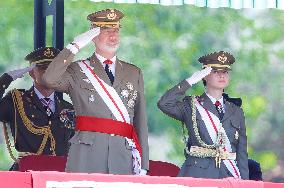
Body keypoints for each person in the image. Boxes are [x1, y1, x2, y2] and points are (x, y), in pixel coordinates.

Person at [41, 8, 149, 175]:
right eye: (106, 31)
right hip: (86, 155)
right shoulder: (77, 70)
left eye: (116, 30)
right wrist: (74, 46)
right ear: (92, 36)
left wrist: (144, 164)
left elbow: (141, 121)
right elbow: (49, 79)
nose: (113, 36)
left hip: (122, 156)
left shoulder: (133, 72)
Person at [158, 51, 249, 179]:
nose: (221, 75)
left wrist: (245, 183)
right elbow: (164, 104)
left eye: (225, 72)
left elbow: (242, 153)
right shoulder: (192, 105)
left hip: (229, 174)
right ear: (204, 76)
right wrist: (189, 81)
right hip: (199, 174)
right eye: (216, 71)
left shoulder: (236, 111)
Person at [0, 47, 75, 171]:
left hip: (59, 176)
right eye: (43, 69)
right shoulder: (16, 101)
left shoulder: (68, 108)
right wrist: (5, 80)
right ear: (31, 72)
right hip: (27, 174)